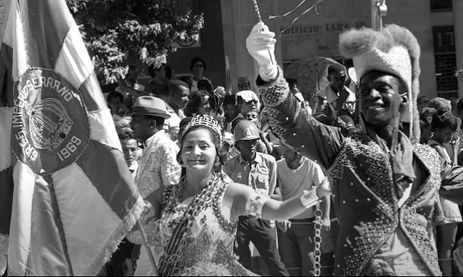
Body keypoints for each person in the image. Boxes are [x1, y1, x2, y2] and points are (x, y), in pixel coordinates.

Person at [246, 21, 463, 275]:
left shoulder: (429, 159)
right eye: (365, 90)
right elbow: (295, 125)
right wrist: (269, 70)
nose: (371, 95)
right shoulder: (342, 147)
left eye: (382, 88)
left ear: (403, 99)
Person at [127, 114, 329, 275]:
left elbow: (279, 211)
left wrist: (317, 193)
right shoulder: (166, 194)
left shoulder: (231, 193)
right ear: (181, 154)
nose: (195, 152)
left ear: (217, 151)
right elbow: (132, 220)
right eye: (189, 146)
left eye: (204, 146)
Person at [224, 120, 288, 276]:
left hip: (262, 217)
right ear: (238, 145)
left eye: (254, 141)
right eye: (246, 143)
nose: (251, 145)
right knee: (240, 262)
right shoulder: (231, 165)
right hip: (240, 220)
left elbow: (273, 188)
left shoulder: (269, 162)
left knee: (274, 260)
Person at [276, 143, 331, 276]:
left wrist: (326, 218)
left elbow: (324, 191)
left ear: (298, 152)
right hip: (285, 224)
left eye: (287, 149)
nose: (283, 152)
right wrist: (281, 216)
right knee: (288, 263)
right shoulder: (278, 166)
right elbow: (275, 191)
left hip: (306, 222)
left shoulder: (312, 166)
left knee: (310, 263)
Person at [428, 111, 462, 276]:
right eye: (447, 133)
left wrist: (454, 149)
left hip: (448, 198)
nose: (450, 136)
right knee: (446, 246)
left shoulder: (441, 146)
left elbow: (452, 169)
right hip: (445, 200)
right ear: (436, 130)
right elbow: (449, 174)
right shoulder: (434, 147)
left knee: (448, 245)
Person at [130, 96, 182, 198]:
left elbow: (172, 193)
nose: (131, 125)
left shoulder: (166, 148)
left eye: (136, 121)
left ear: (151, 124)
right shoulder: (146, 146)